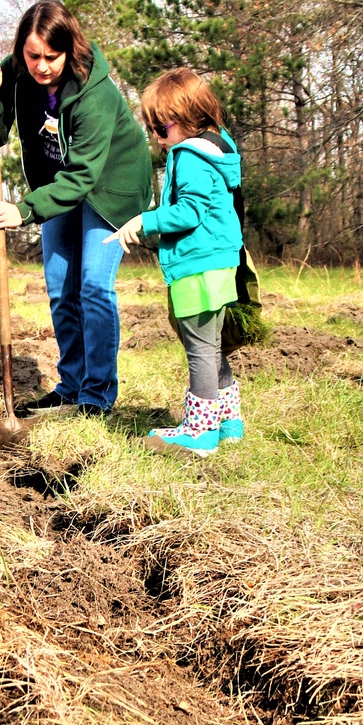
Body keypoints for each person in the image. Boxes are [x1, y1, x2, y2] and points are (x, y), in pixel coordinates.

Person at [0, 0, 153, 417]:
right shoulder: (14, 73)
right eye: (33, 56)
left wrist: (24, 210)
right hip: (58, 184)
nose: (42, 66)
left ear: (69, 50)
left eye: (52, 57)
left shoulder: (95, 92)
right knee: (59, 286)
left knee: (91, 285)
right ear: (22, 50)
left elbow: (83, 177)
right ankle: (71, 386)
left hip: (110, 185)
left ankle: (97, 395)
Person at [108, 68, 245, 457]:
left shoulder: (189, 156)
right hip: (219, 262)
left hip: (197, 265)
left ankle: (200, 432)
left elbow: (188, 212)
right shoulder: (215, 150)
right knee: (212, 345)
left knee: (199, 346)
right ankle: (227, 422)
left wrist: (143, 221)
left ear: (187, 119)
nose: (156, 137)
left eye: (160, 128)